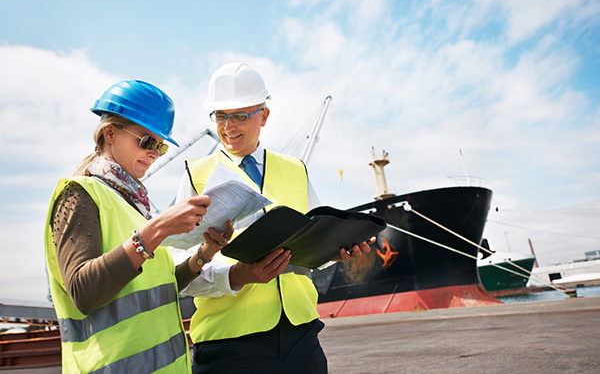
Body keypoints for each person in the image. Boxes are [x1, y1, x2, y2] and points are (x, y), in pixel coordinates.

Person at [175, 63, 375, 373]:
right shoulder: (196, 175)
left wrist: (338, 250)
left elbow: (314, 245)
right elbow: (179, 270)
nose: (228, 126)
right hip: (229, 343)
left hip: (301, 336)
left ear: (264, 116)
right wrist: (237, 275)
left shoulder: (296, 169)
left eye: (239, 115)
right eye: (220, 116)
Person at [43, 80, 233, 373]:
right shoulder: (78, 196)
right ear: (109, 133)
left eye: (161, 145)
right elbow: (83, 291)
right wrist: (156, 230)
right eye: (147, 141)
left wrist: (205, 253)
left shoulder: (133, 206)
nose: (155, 152)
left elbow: (158, 289)